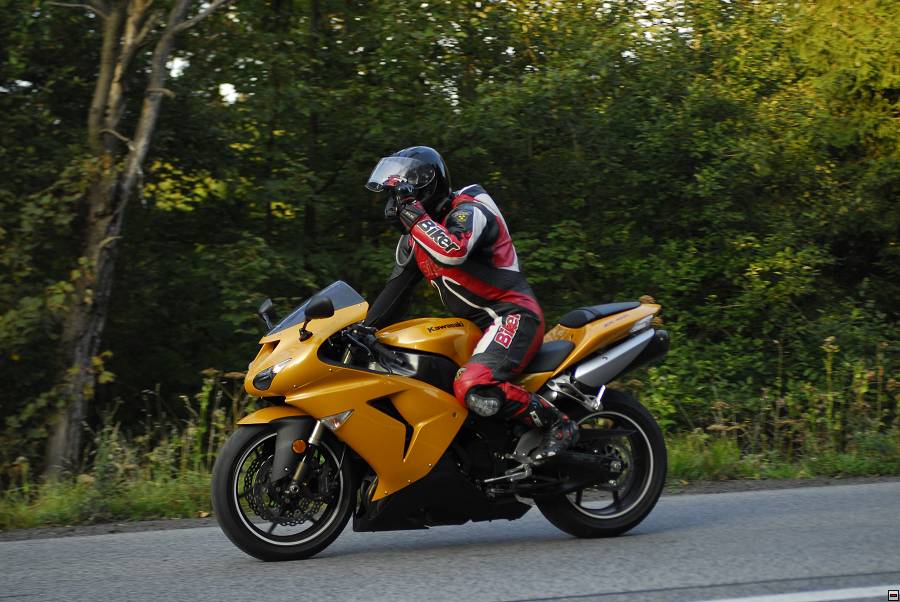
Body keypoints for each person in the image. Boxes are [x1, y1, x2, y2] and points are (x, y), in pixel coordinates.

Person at [363, 146, 576, 462]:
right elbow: (395, 294)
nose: (394, 204)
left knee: (473, 385)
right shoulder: (415, 241)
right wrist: (361, 331)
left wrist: (416, 218)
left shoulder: (469, 211)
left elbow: (454, 250)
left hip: (512, 314)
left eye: (401, 194)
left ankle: (557, 424)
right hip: (477, 328)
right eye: (393, 196)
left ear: (425, 188)